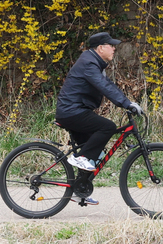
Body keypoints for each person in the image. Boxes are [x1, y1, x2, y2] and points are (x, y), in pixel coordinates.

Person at [55, 31, 141, 205]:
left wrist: (128, 102)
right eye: (111, 45)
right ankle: (82, 159)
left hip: (75, 111)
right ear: (101, 48)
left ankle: (79, 190)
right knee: (107, 127)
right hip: (72, 112)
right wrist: (125, 104)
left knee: (93, 151)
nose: (114, 49)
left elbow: (108, 85)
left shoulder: (93, 62)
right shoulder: (89, 63)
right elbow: (103, 86)